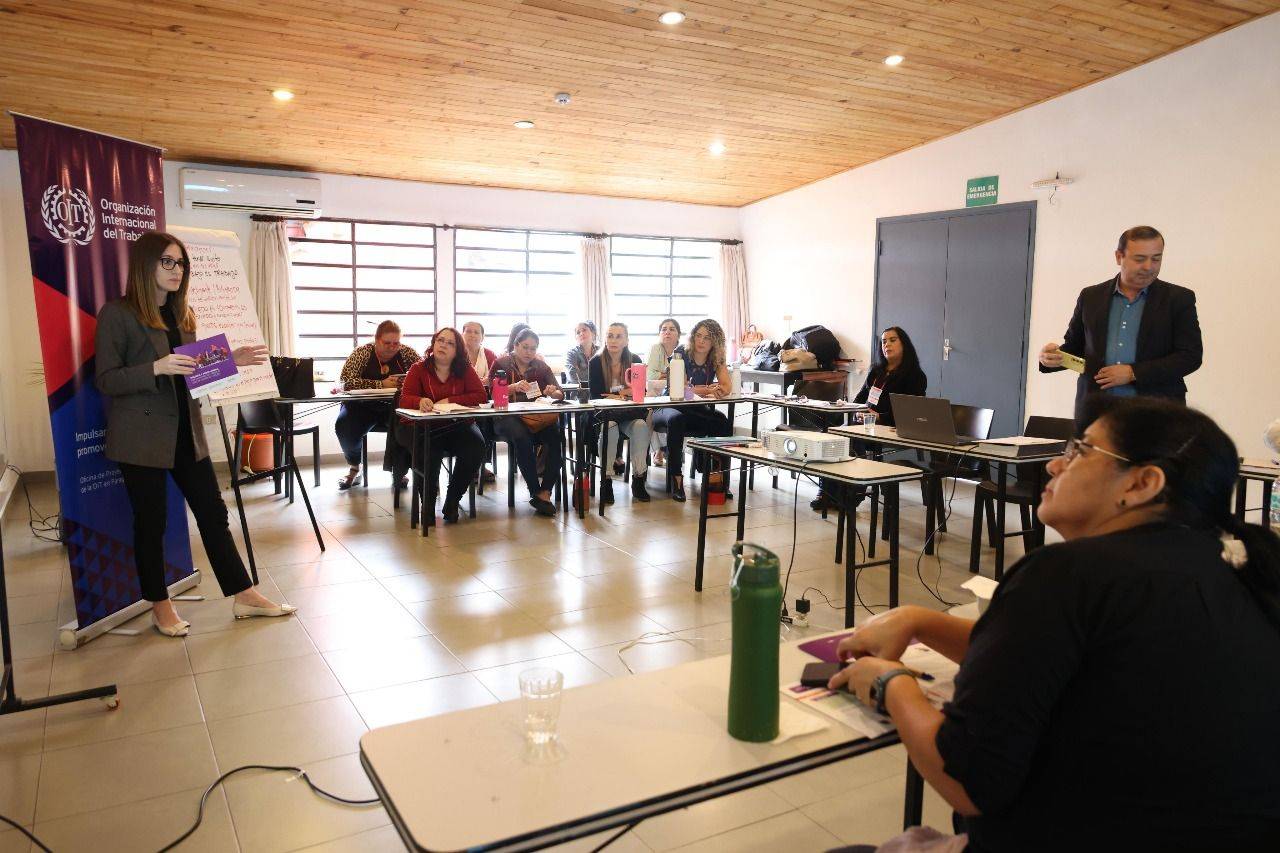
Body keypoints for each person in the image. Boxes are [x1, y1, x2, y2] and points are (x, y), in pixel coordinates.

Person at [827, 397, 1280, 852]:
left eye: (1079, 451)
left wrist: (892, 683)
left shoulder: (1066, 574)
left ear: (1142, 483)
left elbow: (969, 781)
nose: (1053, 467)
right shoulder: (1237, 570)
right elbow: (1063, 659)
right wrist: (921, 621)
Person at [95, 231, 295, 636]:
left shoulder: (183, 315)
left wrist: (227, 360)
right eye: (167, 262)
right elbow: (106, 380)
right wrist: (155, 368)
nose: (176, 271)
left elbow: (190, 376)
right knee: (151, 523)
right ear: (145, 265)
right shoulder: (117, 314)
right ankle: (160, 604)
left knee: (213, 514)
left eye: (181, 263)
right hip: (141, 437)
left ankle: (244, 592)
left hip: (186, 431)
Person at [1039, 225, 1202, 417]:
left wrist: (1134, 373)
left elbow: (1190, 356)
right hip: (1096, 413)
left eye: (1156, 259)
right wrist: (1051, 358)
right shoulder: (1091, 296)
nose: (1149, 266)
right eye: (1140, 259)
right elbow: (1075, 348)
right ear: (1119, 257)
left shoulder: (1178, 299)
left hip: (1157, 414)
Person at [396, 328, 488, 524]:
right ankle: (427, 506)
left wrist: (451, 400)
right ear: (433, 343)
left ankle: (453, 500)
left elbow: (480, 396)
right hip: (424, 426)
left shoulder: (465, 370)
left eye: (450, 343)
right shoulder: (418, 369)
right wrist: (420, 400)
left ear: (458, 351)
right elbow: (405, 399)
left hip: (456, 425)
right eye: (440, 340)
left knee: (476, 446)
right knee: (430, 450)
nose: (443, 345)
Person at [651, 319, 733, 502]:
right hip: (667, 406)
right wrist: (708, 389)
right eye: (698, 336)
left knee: (722, 422)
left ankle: (719, 478)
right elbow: (681, 390)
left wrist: (714, 389)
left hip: (694, 409)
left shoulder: (716, 358)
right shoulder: (681, 353)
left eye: (707, 338)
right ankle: (676, 479)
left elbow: (726, 386)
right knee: (676, 419)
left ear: (715, 342)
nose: (701, 341)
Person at [335, 320, 420, 489]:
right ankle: (354, 466)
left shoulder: (407, 353)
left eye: (396, 343)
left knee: (407, 428)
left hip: (394, 408)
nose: (392, 347)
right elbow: (346, 382)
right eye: (387, 343)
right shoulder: (363, 352)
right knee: (344, 426)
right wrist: (381, 384)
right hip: (361, 407)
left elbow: (423, 375)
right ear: (376, 340)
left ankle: (400, 470)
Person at [489, 329, 565, 517]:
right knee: (522, 437)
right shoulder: (501, 364)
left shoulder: (541, 367)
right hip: (506, 417)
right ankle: (535, 490)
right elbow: (489, 394)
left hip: (535, 418)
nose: (528, 352)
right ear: (515, 346)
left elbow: (560, 393)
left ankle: (546, 490)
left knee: (556, 436)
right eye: (525, 347)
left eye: (533, 348)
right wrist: (512, 387)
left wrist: (552, 391)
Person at [588, 322, 651, 503]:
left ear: (626, 341)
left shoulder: (635, 361)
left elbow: (640, 393)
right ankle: (606, 480)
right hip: (605, 415)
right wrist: (624, 394)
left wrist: (616, 395)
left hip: (630, 414)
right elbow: (597, 395)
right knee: (610, 427)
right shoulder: (595, 362)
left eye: (618, 336)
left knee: (640, 426)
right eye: (610, 335)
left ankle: (639, 479)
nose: (613, 340)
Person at [461, 320, 499, 483]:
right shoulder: (456, 354)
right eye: (468, 331)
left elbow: (498, 379)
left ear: (482, 336)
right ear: (462, 334)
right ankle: (467, 465)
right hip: (462, 401)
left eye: (477, 332)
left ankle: (481, 465)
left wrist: (487, 382)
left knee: (487, 420)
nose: (472, 334)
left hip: (485, 400)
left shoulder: (490, 355)